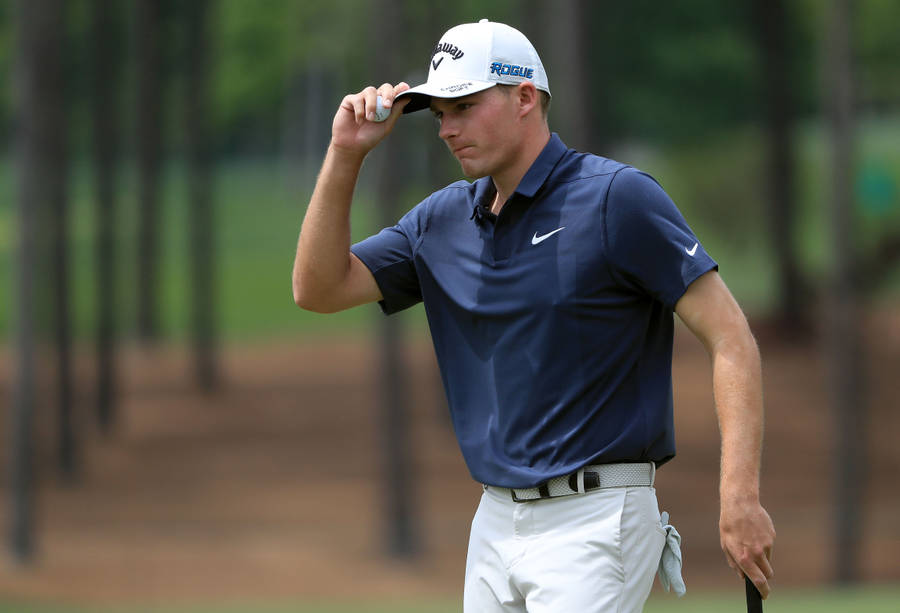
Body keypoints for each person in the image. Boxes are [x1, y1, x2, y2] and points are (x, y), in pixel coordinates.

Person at [292, 19, 775, 612]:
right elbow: (317, 288)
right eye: (439, 113)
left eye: (464, 106)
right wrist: (345, 154)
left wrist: (740, 497)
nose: (447, 129)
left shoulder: (615, 199)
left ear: (524, 98)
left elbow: (731, 338)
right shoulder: (440, 222)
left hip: (596, 519)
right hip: (494, 520)